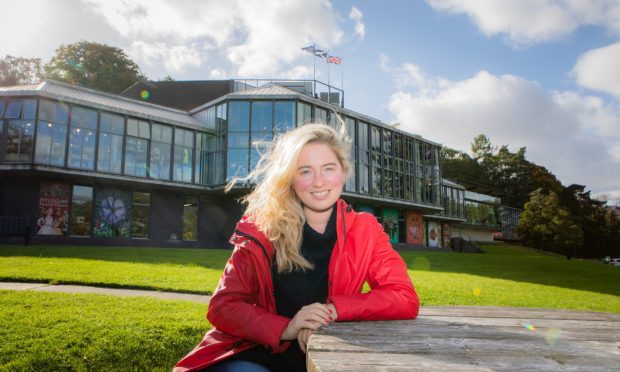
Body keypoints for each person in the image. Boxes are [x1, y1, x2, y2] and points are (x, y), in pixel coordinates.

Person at [175, 123, 419, 371]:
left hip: (326, 355)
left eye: (328, 168)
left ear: (344, 172)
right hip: (251, 354)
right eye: (305, 171)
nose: (318, 182)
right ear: (291, 178)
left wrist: (332, 311)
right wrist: (287, 328)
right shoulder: (261, 228)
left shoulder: (365, 230)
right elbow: (222, 307)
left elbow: (403, 297)